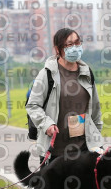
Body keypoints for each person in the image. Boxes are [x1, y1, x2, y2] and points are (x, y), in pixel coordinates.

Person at [26, 28, 103, 163]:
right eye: (69, 45)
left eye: (77, 43)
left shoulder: (86, 72)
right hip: (55, 152)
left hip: (84, 149)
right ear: (58, 49)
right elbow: (33, 105)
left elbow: (95, 107)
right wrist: (47, 124)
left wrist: (96, 138)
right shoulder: (47, 74)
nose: (75, 48)